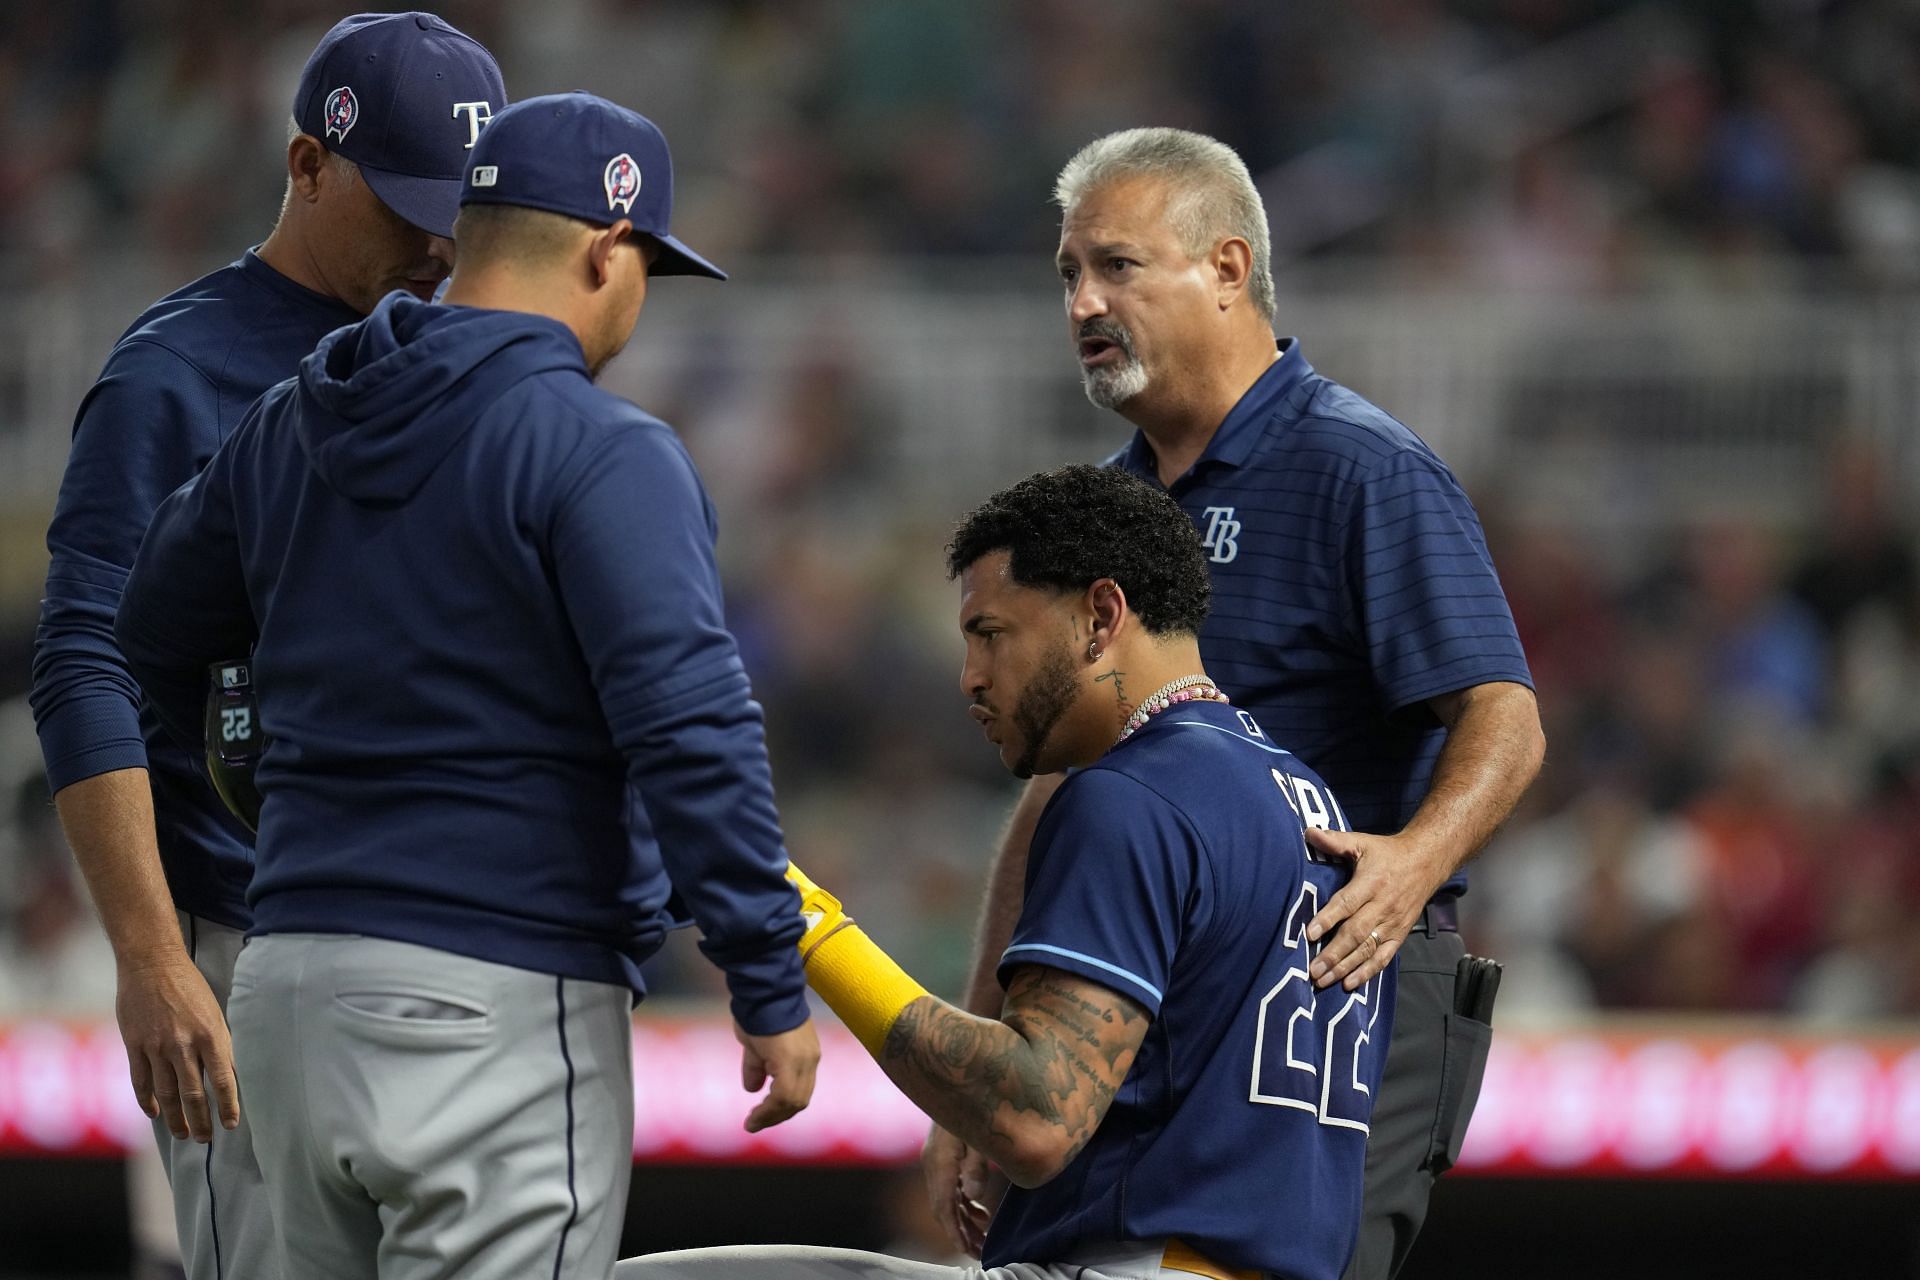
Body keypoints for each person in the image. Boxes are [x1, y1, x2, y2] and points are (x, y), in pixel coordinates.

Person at [114, 92, 820, 1280]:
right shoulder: (602, 448)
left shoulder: (294, 420)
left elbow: (150, 636)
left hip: (285, 987)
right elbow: (690, 725)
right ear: (607, 245)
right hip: (497, 990)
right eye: (647, 265)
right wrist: (766, 967)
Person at [924, 128, 1546, 1280]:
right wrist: (983, 1054)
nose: (1082, 302)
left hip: (1337, 972)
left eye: (1117, 265)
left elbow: (1505, 715)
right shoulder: (1109, 507)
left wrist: (1410, 864)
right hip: (1151, 965)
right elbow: (1061, 782)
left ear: (1225, 267)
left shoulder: (1361, 467)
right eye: (1068, 273)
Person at [620, 464, 1394, 1280]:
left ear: (1101, 615)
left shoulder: (1135, 792)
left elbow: (1036, 1118)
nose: (971, 678)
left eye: (990, 633)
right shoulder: (1303, 796)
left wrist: (804, 922)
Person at [27, 13, 504, 1278]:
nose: (435, 242)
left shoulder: (459, 364)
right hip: (244, 940)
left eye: (454, 209)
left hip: (439, 930)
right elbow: (86, 664)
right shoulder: (175, 373)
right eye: (403, 205)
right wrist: (147, 953)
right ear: (306, 167)